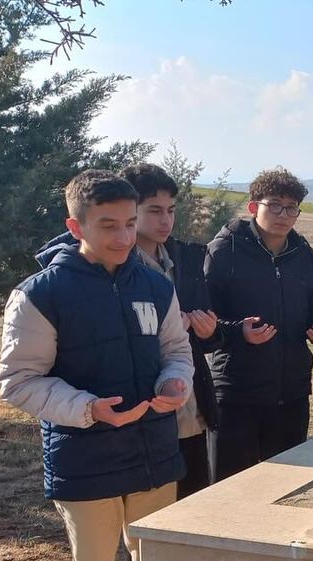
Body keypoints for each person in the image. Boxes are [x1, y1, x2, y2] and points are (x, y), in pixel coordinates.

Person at [0, 169, 193, 561]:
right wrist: (87, 409)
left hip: (154, 454)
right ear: (75, 225)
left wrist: (174, 384)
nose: (125, 237)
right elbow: (18, 381)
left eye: (130, 223)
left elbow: (176, 351)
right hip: (85, 461)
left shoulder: (155, 285)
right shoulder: (41, 294)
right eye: (109, 225)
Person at [205, 167, 313, 481]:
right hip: (236, 394)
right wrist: (238, 332)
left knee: (286, 487)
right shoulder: (224, 251)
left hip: (292, 394)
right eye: (275, 205)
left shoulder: (306, 256)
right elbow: (204, 319)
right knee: (231, 489)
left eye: (291, 208)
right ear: (253, 207)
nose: (283, 215)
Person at [122, 162, 221, 499]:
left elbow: (211, 337)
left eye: (171, 210)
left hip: (191, 406)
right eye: (154, 211)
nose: (165, 220)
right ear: (129, 211)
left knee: (195, 504)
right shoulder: (118, 268)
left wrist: (208, 331)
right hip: (145, 410)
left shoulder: (188, 259)